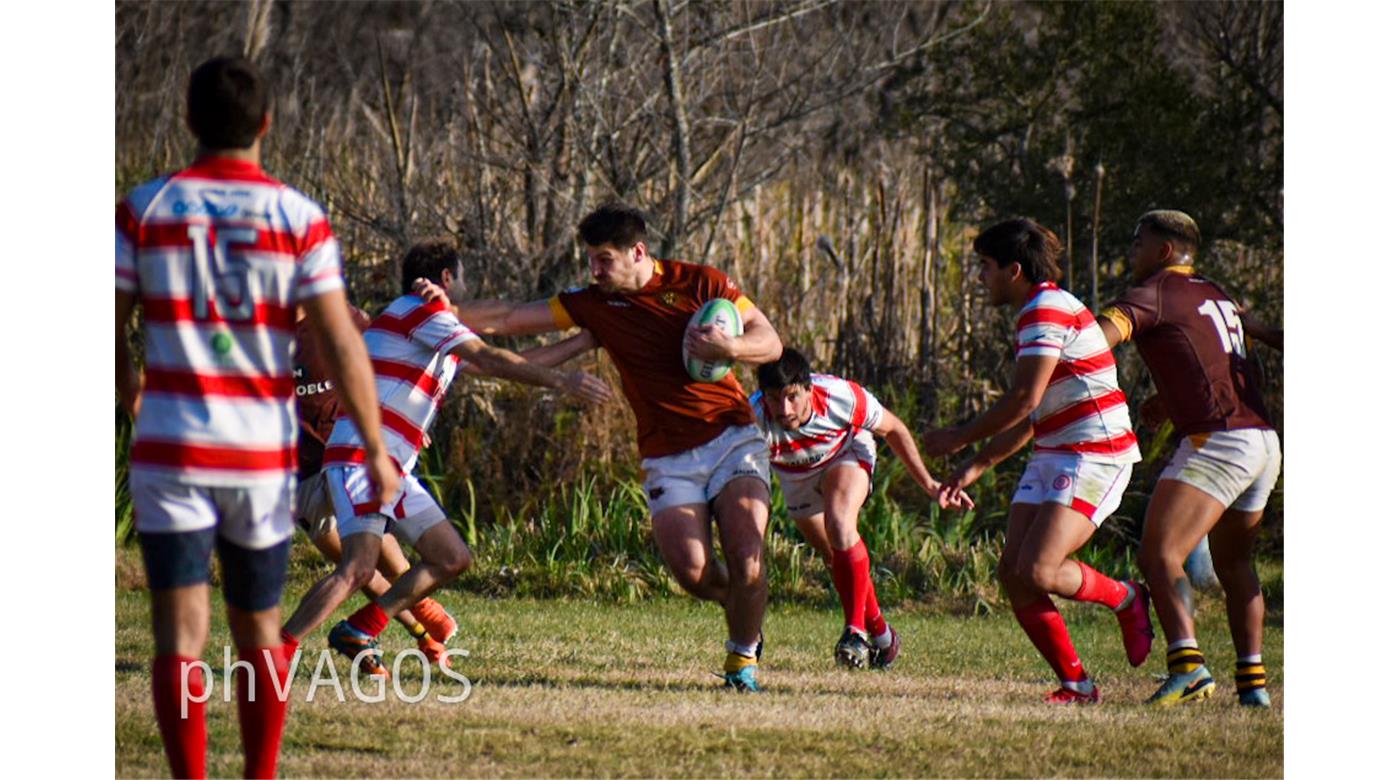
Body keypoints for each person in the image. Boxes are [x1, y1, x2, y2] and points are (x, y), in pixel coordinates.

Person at [116, 56, 398, 779]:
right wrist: (373, 442)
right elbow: (338, 342)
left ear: (188, 120)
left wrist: (131, 393)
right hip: (257, 454)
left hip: (171, 447)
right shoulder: (297, 217)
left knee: (180, 637)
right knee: (256, 628)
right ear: (266, 124)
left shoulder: (144, 207)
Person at [458, 203, 783, 692]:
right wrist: (438, 312)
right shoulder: (593, 304)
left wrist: (729, 350)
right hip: (667, 455)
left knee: (746, 555)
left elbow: (770, 341)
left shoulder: (701, 283)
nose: (595, 269)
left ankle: (742, 662)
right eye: (590, 258)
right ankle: (744, 611)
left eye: (604, 259)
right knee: (694, 574)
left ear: (638, 252)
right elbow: (508, 317)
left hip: (732, 437)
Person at [280, 240, 611, 675]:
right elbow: (492, 358)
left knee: (453, 558)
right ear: (449, 278)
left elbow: (515, 358)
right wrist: (562, 382)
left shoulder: (429, 326)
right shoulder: (420, 312)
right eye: (464, 277)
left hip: (388, 464)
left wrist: (585, 341)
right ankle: (276, 651)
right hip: (361, 456)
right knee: (357, 568)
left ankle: (363, 628)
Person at [924, 218, 1153, 705]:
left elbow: (1024, 399)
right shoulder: (1037, 309)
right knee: (1013, 573)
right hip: (1055, 450)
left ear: (1014, 269)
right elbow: (1035, 414)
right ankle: (1077, 685)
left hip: (1096, 453)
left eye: (985, 267)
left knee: (1042, 570)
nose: (980, 277)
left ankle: (1128, 597)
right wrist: (976, 466)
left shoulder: (1045, 309)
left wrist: (958, 438)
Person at [1096, 210, 1282, 707]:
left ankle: (1189, 666)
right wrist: (1171, 400)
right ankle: (1254, 687)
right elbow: (1238, 364)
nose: (1131, 251)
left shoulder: (1155, 291)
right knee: (1235, 563)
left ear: (1162, 251)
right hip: (1262, 439)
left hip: (1219, 440)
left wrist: (1059, 353)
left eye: (1138, 242)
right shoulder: (1215, 292)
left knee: (1159, 553)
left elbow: (1098, 339)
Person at [751, 348, 973, 670]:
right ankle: (883, 636)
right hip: (795, 476)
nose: (783, 409)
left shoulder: (842, 397)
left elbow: (894, 429)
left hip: (844, 454)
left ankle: (855, 631)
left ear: (809, 389)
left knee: (840, 526)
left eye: (792, 397)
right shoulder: (752, 418)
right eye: (773, 398)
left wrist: (929, 484)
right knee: (834, 558)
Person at [290, 295, 458, 671]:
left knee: (381, 564)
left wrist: (400, 417)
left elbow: (383, 361)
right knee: (357, 572)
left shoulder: (342, 317)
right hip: (301, 476)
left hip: (351, 456)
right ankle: (416, 633)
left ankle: (411, 630)